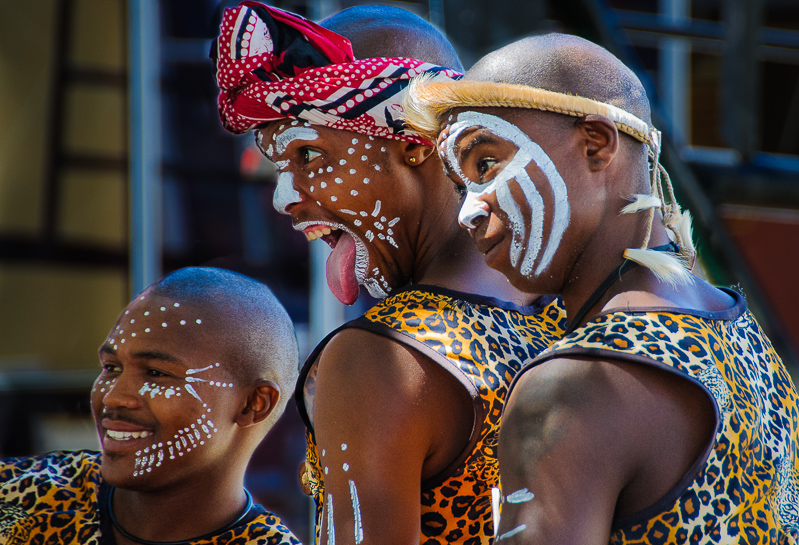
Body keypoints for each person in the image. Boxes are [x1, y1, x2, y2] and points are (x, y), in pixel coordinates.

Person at [403, 33, 799, 544]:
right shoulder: (739, 326)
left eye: (485, 164)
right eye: (463, 185)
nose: (468, 211)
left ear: (596, 143)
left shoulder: (571, 387)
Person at [211, 3, 566, 544]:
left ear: (412, 144)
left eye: (308, 156)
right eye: (281, 167)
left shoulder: (379, 358)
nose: (285, 197)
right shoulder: (566, 304)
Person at [0, 267, 302, 545]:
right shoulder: (22, 499)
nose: (113, 398)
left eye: (157, 374)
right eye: (112, 367)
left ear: (253, 404)